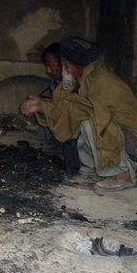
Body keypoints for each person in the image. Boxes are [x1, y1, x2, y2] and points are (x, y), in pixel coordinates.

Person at [21, 36, 137, 193]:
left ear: (77, 66)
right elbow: (65, 105)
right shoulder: (87, 79)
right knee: (79, 120)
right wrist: (41, 105)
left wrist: (44, 107)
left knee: (89, 121)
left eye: (66, 66)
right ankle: (100, 168)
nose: (65, 71)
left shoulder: (104, 81)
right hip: (119, 137)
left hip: (135, 145)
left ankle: (124, 173)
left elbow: (87, 110)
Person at [39, 43, 81, 177]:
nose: (48, 71)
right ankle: (55, 148)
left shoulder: (76, 80)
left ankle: (74, 169)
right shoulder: (58, 83)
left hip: (82, 130)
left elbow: (68, 110)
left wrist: (42, 106)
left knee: (69, 124)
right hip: (70, 128)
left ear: (63, 63)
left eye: (50, 66)